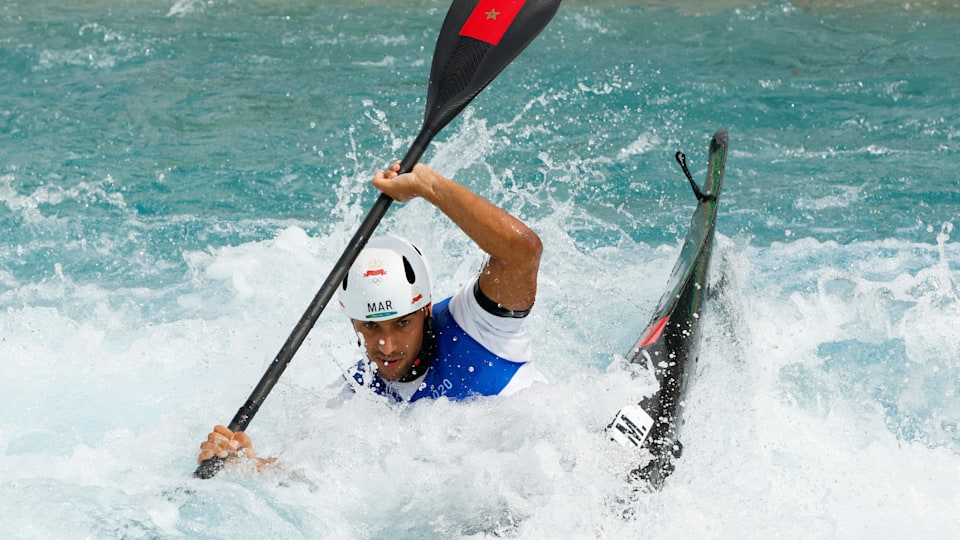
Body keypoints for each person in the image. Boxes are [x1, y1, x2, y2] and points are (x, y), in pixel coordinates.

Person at [198, 161, 547, 468]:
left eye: (403, 323)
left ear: (425, 308)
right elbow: (307, 479)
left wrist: (429, 186)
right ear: (352, 321)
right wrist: (245, 464)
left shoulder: (477, 324)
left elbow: (523, 252)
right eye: (370, 326)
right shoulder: (354, 396)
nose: (386, 345)